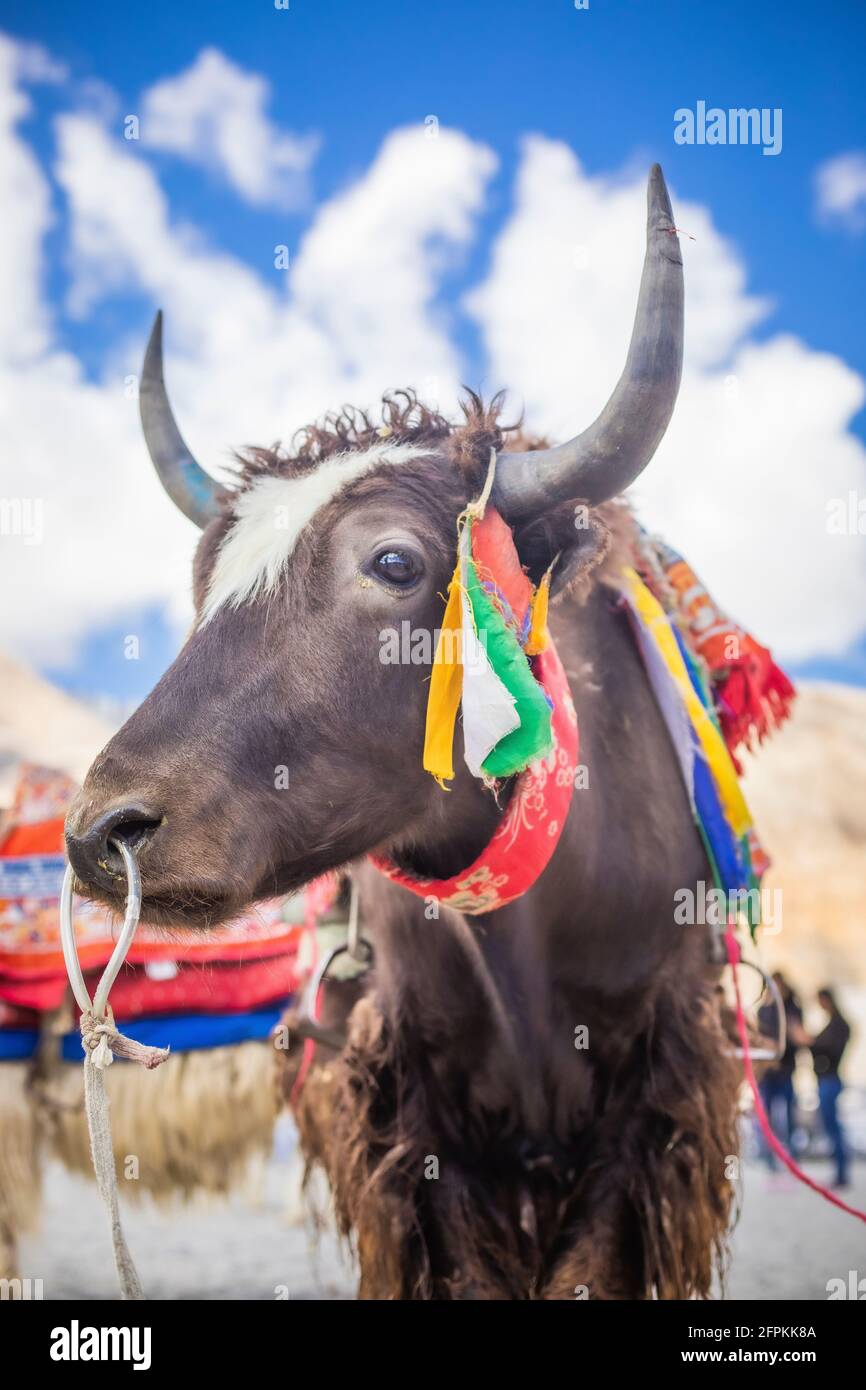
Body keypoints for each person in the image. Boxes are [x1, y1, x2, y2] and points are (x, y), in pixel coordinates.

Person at [791, 988, 851, 1188]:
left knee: (834, 1128)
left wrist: (809, 1041)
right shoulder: (832, 1025)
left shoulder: (839, 1025)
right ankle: (840, 1172)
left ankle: (842, 1173)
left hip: (830, 1080)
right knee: (830, 1127)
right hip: (825, 1080)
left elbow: (829, 1049)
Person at [755, 972, 803, 1167]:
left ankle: (792, 1156)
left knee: (790, 1115)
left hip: (786, 1069)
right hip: (767, 1072)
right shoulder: (764, 1010)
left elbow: (796, 1037)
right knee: (767, 1115)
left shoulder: (793, 1009)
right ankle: (769, 1158)